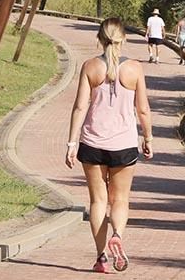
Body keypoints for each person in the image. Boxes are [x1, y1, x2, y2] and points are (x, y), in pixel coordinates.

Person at [65, 17, 153, 273]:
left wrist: (72, 142)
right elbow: (143, 110)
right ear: (123, 39)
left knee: (98, 202)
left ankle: (101, 257)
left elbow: (80, 106)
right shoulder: (135, 69)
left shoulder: (90, 67)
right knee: (120, 199)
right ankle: (117, 235)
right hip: (124, 145)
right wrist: (147, 138)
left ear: (99, 40)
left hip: (92, 143)